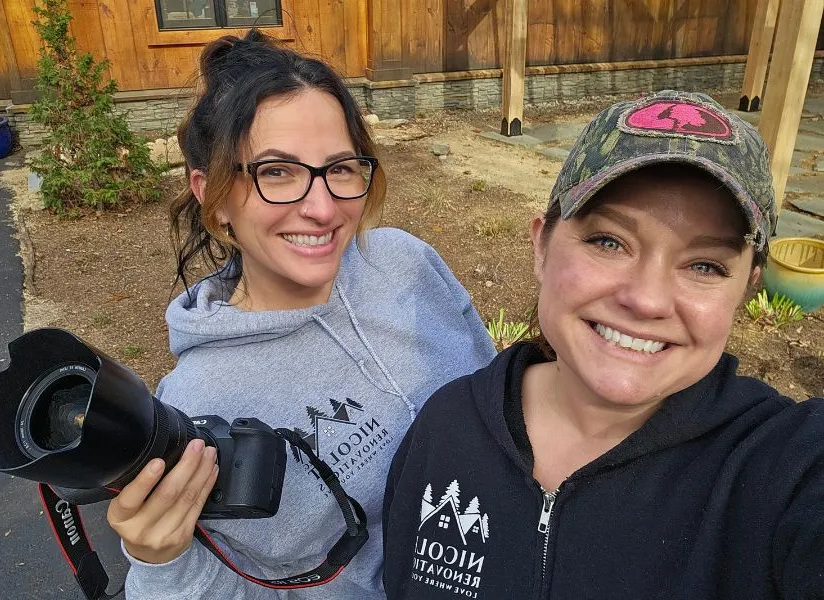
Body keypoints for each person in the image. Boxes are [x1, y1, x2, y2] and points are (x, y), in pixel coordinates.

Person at [382, 90, 824, 599]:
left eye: (705, 266)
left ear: (746, 288)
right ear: (542, 246)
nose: (647, 299)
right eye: (609, 242)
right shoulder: (448, 427)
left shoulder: (782, 469)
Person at [104, 30, 496, 599]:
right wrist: (164, 564)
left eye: (340, 168)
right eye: (277, 172)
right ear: (212, 195)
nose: (321, 208)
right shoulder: (198, 409)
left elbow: (496, 399)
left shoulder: (406, 262)